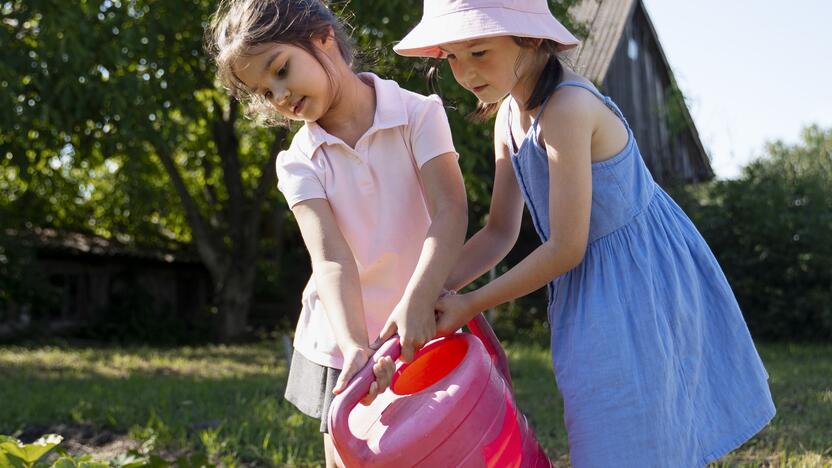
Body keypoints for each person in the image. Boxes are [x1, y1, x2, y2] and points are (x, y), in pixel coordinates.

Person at [394, 0, 776, 466]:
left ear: (531, 38)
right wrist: (424, 291)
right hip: (587, 289)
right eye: (452, 57)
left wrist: (470, 303)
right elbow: (499, 232)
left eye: (478, 52)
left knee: (632, 436)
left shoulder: (569, 108)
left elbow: (566, 247)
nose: (465, 72)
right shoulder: (508, 118)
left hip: (638, 283)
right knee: (602, 423)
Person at [206, 1, 468, 465]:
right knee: (353, 458)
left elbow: (450, 212)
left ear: (323, 38)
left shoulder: (418, 115)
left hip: (422, 326)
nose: (280, 96)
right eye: (265, 92)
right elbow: (330, 260)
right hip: (340, 343)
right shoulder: (298, 162)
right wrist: (354, 348)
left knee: (440, 449)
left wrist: (419, 298)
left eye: (281, 70)